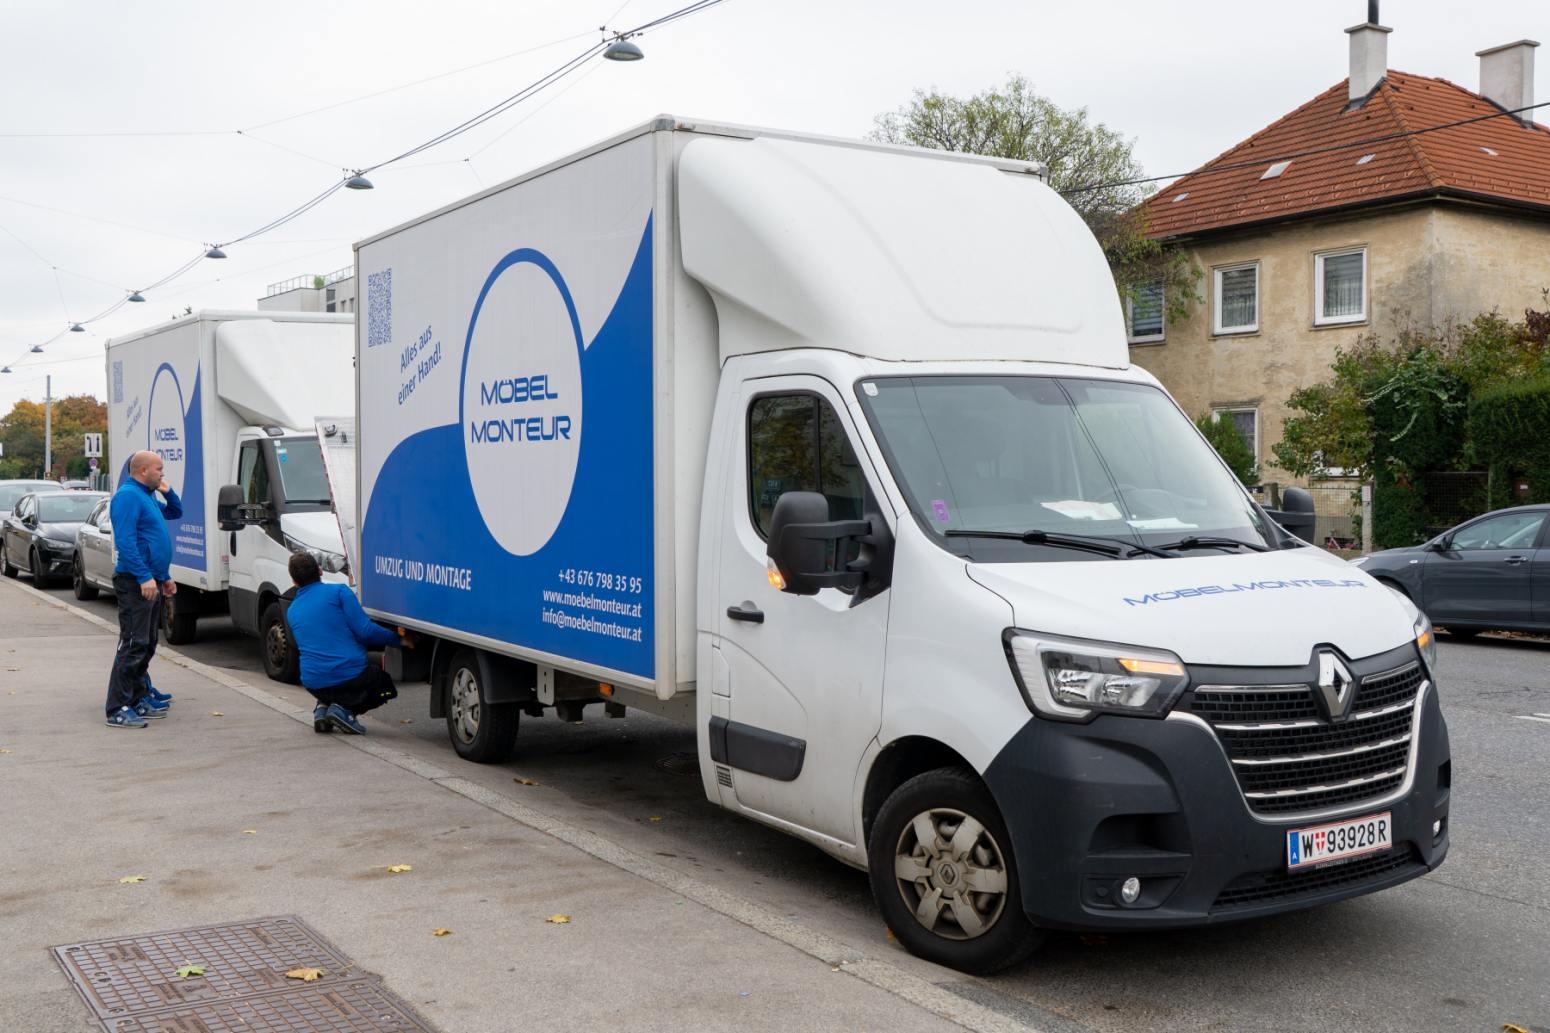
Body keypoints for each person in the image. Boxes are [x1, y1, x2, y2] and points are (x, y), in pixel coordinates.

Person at [284, 551, 402, 734]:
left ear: (294, 582)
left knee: (331, 685)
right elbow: (366, 632)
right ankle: (345, 711)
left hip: (313, 683)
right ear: (320, 570)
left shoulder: (292, 610)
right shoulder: (339, 592)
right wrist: (399, 639)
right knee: (384, 686)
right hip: (348, 677)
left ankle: (322, 709)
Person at [104, 451, 182, 728]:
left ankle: (137, 698)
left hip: (151, 580)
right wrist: (144, 577)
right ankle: (117, 707)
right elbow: (125, 542)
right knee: (132, 644)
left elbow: (175, 512)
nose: (163, 473)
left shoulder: (146, 495)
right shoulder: (127, 497)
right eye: (159, 469)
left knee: (147, 643)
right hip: (134, 582)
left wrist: (164, 577)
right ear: (143, 471)